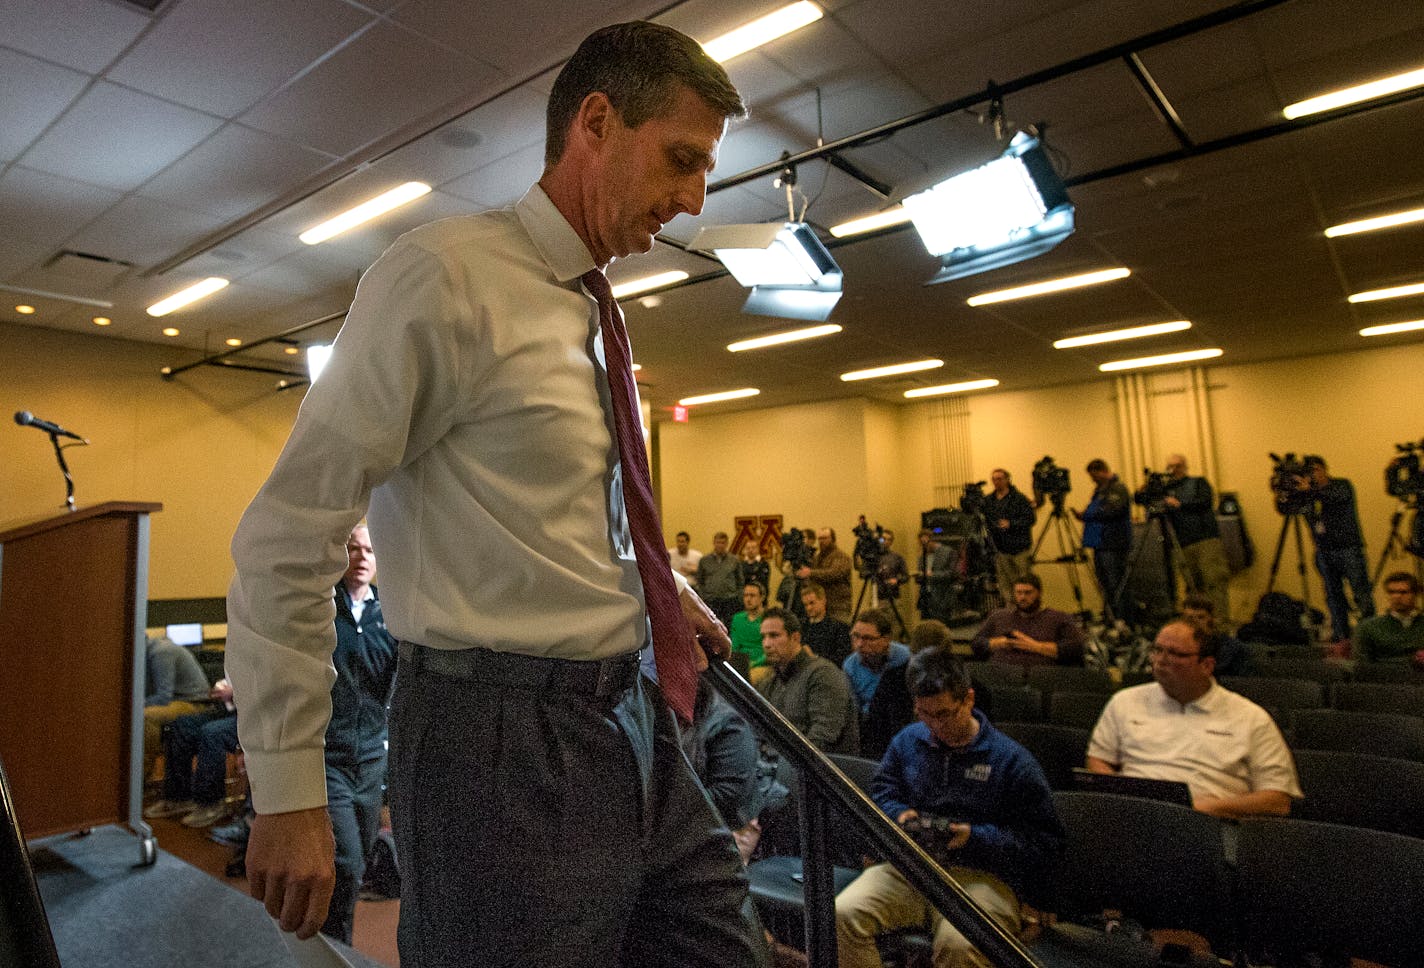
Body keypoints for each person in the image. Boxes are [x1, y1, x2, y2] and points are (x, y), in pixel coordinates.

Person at [226, 22, 764, 967]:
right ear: (595, 122)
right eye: (683, 161)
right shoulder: (443, 276)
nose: (693, 199)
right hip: (493, 738)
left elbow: (551, 513)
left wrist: (654, 587)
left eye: (706, 172)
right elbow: (288, 531)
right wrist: (288, 786)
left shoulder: (595, 306)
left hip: (627, 720)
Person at [835, 649, 1065, 968]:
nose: (933, 726)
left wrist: (974, 836)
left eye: (943, 714)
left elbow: (1042, 843)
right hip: (913, 866)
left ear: (968, 700)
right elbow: (882, 793)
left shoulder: (1012, 762)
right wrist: (900, 814)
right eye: (923, 714)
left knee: (960, 946)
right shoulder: (907, 741)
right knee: (843, 914)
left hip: (983, 877)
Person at [1086, 621, 1301, 818]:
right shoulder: (1125, 701)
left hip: (1211, 823)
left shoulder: (1250, 718)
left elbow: (1278, 800)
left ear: (1206, 665)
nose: (1160, 661)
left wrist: (1207, 808)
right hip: (1134, 816)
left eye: (1175, 654)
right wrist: (1120, 793)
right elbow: (1098, 759)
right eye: (1157, 650)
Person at [321, 524, 399, 944]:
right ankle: (338, 945)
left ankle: (334, 939)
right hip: (329, 756)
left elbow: (397, 686)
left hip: (371, 756)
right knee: (347, 860)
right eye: (353, 548)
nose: (363, 556)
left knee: (362, 856)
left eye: (370, 549)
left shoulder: (389, 615)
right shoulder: (321, 609)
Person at [755, 607, 859, 754]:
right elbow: (759, 729)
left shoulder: (823, 674)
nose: (766, 644)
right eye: (763, 637)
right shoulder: (769, 680)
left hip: (819, 769)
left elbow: (824, 736)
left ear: (795, 638)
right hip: (781, 764)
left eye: (774, 636)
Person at [1145, 453, 1231, 624]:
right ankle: (1194, 624)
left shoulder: (1198, 483)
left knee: (1213, 581)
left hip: (1205, 540)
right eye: (1170, 467)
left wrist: (1179, 503)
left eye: (1177, 466)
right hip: (1182, 544)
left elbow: (1205, 502)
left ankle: (1219, 624)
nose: (1173, 470)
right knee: (1192, 586)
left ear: (1184, 466)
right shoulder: (1166, 491)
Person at [1298, 456, 1376, 644]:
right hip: (1324, 551)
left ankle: (1369, 635)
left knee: (1360, 592)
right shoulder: (1309, 495)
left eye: (1315, 470)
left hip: (1348, 549)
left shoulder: (1341, 485)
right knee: (1333, 595)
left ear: (1325, 469)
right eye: (1308, 472)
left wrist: (1311, 490)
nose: (1313, 475)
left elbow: (1335, 497)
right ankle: (1341, 635)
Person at [142, 633, 213, 784]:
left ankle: (143, 776)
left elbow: (163, 697)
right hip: (178, 701)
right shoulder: (150, 653)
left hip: (194, 703)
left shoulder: (161, 653)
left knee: (145, 717)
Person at [970, 573, 1085, 667]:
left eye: (1028, 593)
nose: (1022, 597)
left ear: (1039, 593)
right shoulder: (999, 616)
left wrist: (1035, 646)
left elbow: (1076, 649)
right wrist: (999, 643)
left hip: (1041, 678)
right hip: (1002, 676)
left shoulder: (1058, 618)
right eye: (1019, 593)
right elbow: (976, 644)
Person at [1072, 459, 1132, 623]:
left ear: (1102, 471)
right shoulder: (1099, 490)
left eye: (1094, 477)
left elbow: (1113, 510)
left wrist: (1088, 515)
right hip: (1099, 544)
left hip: (1113, 544)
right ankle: (1110, 616)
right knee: (1104, 583)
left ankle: (1122, 618)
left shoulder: (1117, 489)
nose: (1093, 480)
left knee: (1115, 583)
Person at [843, 608, 911, 717]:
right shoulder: (850, 666)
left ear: (886, 639)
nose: (859, 644)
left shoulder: (906, 657)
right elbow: (853, 710)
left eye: (868, 638)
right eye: (855, 636)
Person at [1353, 571, 1424, 667]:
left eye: (1403, 592)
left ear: (1415, 594)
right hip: (1383, 679)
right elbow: (1362, 666)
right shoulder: (1368, 627)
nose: (1396, 596)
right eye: (1391, 592)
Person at [983, 469, 1036, 594]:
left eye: (1000, 479)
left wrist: (1011, 524)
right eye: (994, 479)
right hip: (1000, 549)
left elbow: (1030, 519)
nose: (996, 482)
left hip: (1019, 549)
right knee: (1004, 584)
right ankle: (1010, 610)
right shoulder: (989, 500)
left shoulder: (1019, 498)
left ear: (1007, 479)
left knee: (1024, 581)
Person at [1180, 594, 1247, 677]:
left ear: (1211, 619)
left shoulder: (1230, 647)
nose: (1195, 622)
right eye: (1190, 618)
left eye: (1201, 617)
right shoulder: (1176, 645)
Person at [797, 527, 854, 624]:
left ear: (833, 539)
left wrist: (811, 572)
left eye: (825, 538)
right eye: (819, 538)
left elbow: (834, 573)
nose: (821, 541)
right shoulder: (817, 557)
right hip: (822, 607)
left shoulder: (841, 556)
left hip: (838, 607)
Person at [800, 581, 853, 668]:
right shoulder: (800, 627)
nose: (808, 608)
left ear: (823, 600)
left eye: (812, 603)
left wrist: (814, 657)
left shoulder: (839, 628)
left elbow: (842, 659)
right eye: (805, 605)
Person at [698, 531, 745, 629]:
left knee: (730, 626)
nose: (720, 545)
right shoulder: (704, 560)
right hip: (711, 600)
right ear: (714, 543)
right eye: (718, 542)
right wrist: (704, 596)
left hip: (730, 600)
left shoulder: (734, 560)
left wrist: (738, 596)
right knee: (712, 627)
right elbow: (700, 581)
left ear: (727, 544)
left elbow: (740, 581)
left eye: (723, 543)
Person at [730, 581, 770, 684]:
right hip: (741, 663)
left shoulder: (768, 619)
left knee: (748, 680)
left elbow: (770, 650)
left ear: (762, 597)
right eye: (745, 595)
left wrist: (753, 664)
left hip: (762, 664)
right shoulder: (737, 618)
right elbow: (734, 646)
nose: (748, 599)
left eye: (752, 596)